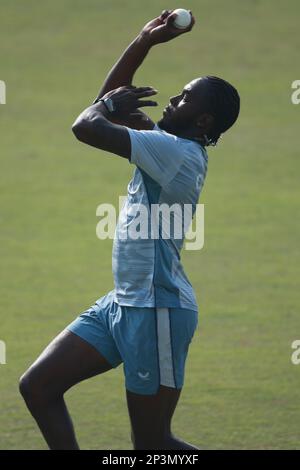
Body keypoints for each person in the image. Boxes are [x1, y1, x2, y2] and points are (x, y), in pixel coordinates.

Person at [19, 10, 240, 450]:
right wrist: (142, 42)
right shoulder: (165, 144)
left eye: (186, 97)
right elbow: (106, 108)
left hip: (157, 310)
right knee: (38, 387)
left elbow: (88, 124)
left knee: (153, 446)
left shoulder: (178, 154)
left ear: (204, 122)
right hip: (122, 303)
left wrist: (105, 108)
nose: (174, 99)